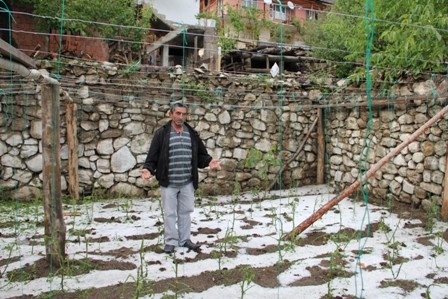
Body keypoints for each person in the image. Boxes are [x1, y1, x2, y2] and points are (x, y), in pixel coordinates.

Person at [140, 102, 221, 254]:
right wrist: (148, 169)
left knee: (185, 212)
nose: (180, 117)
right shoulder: (162, 134)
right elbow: (152, 157)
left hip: (187, 182)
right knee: (170, 213)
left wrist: (210, 162)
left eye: (183, 114)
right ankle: (170, 241)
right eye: (177, 113)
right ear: (170, 114)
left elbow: (201, 155)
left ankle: (184, 240)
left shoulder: (191, 133)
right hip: (168, 182)